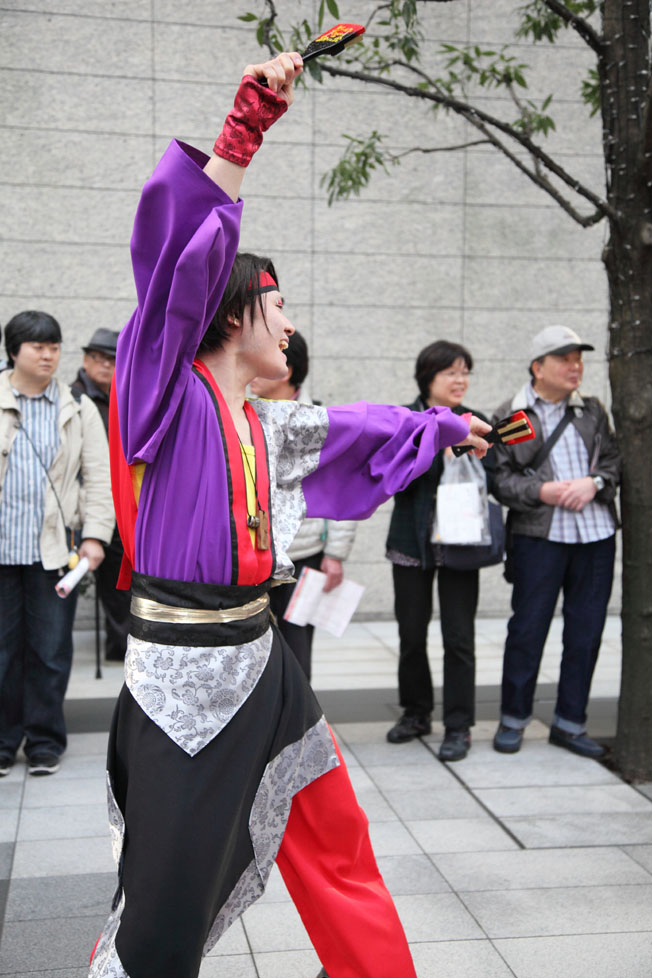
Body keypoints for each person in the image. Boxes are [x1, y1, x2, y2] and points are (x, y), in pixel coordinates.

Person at [88, 52, 491, 978]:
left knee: (336, 834)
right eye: (279, 305)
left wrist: (446, 424)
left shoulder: (265, 421)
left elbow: (359, 425)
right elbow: (173, 266)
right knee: (160, 916)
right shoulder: (166, 394)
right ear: (231, 315)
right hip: (185, 681)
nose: (290, 324)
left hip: (261, 661)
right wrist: (246, 126)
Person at [491, 325, 620, 758]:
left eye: (578, 359)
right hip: (538, 538)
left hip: (596, 537)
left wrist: (596, 482)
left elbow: (615, 463)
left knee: (585, 633)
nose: (575, 367)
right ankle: (513, 719)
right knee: (528, 629)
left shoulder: (592, 411)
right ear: (538, 367)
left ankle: (570, 723)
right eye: (565, 359)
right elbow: (501, 480)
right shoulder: (512, 416)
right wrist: (541, 493)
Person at [0, 311, 113, 777]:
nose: (47, 355)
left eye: (54, 347)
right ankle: (4, 742)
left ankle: (45, 741)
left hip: (54, 553)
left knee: (50, 650)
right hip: (3, 551)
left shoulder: (77, 407)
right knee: (3, 651)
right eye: (37, 347)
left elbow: (99, 478)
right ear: (13, 351)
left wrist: (95, 537)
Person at [385, 340, 496, 761]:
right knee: (411, 635)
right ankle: (415, 713)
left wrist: (481, 453)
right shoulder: (406, 420)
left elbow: (496, 478)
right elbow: (393, 477)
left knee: (459, 637)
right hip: (411, 543)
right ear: (428, 377)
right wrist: (436, 444)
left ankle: (458, 725)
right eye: (451, 372)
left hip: (460, 543)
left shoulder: (478, 422)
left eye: (465, 371)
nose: (460, 379)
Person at [250, 329, 356, 679]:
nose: (251, 371)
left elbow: (344, 490)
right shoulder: (243, 415)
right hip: (257, 550)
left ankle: (296, 726)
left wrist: (335, 555)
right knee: (253, 647)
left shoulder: (320, 422)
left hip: (305, 551)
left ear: (286, 368)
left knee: (297, 646)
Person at [72, 328, 131, 661]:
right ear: (85, 360)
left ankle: (121, 640)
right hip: (92, 502)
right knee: (111, 575)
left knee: (123, 576)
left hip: (123, 501)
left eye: (113, 359)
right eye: (99, 358)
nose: (106, 366)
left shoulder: (124, 396)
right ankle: (119, 643)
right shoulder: (75, 398)